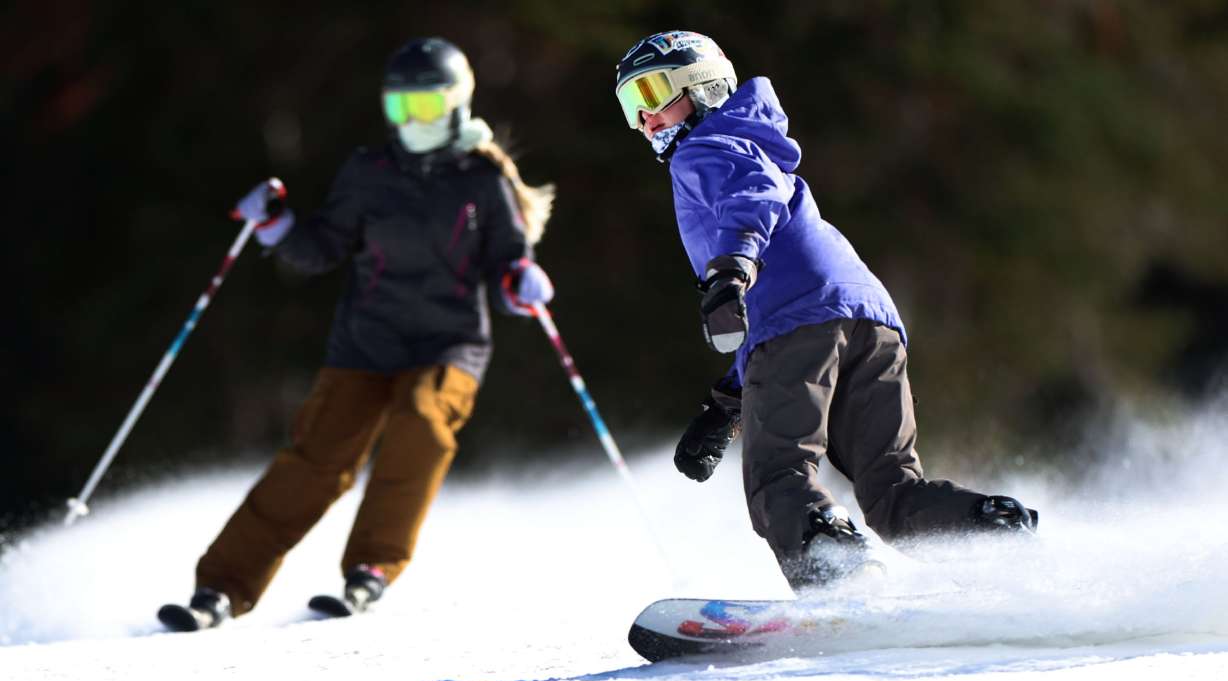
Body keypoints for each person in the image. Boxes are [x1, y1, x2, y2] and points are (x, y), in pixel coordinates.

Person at [614, 30, 1038, 592]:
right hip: (869, 320)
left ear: (703, 85)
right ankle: (995, 538)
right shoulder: (749, 140)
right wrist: (726, 406)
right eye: (629, 106)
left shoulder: (704, 149)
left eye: (652, 92)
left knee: (778, 479)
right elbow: (778, 308)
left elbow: (753, 199)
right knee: (892, 492)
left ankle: (840, 578)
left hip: (800, 321)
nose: (645, 118)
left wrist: (730, 267)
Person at [158, 37, 556, 631]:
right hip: (365, 344)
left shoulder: (481, 182)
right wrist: (275, 224)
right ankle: (219, 588)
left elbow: (507, 262)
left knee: (421, 424)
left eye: (424, 108)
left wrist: (520, 282)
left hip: (449, 346)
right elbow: (320, 249)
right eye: (401, 109)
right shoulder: (369, 172)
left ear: (454, 104)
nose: (412, 122)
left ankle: (370, 569)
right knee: (316, 461)